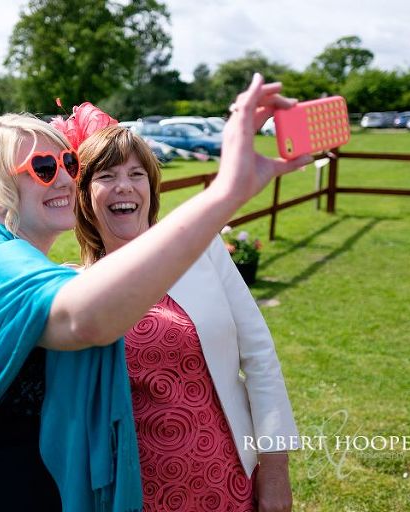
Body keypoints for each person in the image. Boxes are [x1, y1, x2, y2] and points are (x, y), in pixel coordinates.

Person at [0, 74, 312, 511]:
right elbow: (86, 320)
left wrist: (274, 467)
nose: (61, 180)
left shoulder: (30, 266)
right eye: (41, 167)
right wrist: (228, 192)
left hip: (40, 487)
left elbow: (256, 356)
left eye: (68, 165)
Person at [73, 122, 300, 512]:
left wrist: (275, 469)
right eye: (106, 176)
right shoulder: (77, 290)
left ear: (151, 188)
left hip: (227, 474)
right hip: (133, 491)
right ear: (85, 197)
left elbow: (259, 355)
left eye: (136, 174)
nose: (124, 186)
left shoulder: (202, 250)